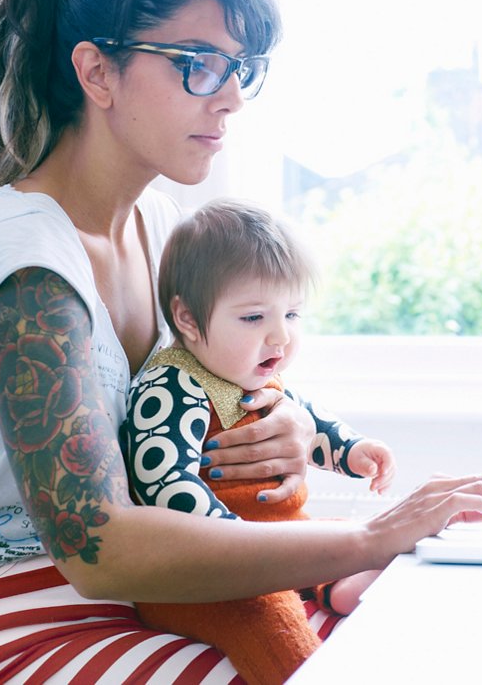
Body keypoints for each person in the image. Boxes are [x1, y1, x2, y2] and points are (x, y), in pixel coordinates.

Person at [0, 0, 482, 684]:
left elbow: (214, 391)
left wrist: (281, 424)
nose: (229, 98)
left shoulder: (165, 233)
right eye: (196, 63)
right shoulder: (25, 260)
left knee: (416, 631)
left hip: (146, 594)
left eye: (240, 68)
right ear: (97, 73)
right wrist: (371, 535)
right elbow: (98, 549)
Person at [122, 198, 394, 684]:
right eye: (254, 318)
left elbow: (310, 422)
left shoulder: (254, 372)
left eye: (292, 315)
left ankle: (335, 586)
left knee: (347, 538)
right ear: (187, 319)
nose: (280, 337)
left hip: (273, 537)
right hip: (208, 575)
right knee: (268, 616)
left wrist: (354, 452)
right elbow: (162, 484)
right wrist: (244, 546)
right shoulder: (173, 387)